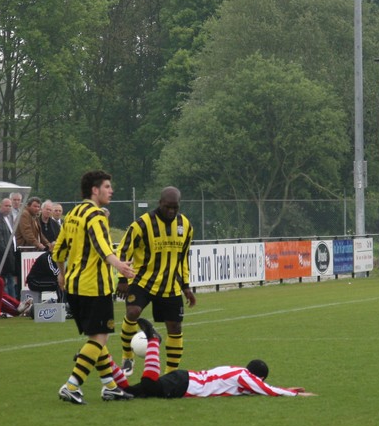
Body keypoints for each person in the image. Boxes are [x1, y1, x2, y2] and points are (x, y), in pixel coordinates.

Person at [54, 170, 136, 405]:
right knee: (99, 338)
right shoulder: (96, 216)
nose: (111, 191)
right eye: (107, 187)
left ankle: (110, 386)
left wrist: (62, 274)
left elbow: (58, 250)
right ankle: (72, 385)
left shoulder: (72, 214)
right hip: (94, 287)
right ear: (94, 190)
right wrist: (120, 265)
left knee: (97, 337)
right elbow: (102, 247)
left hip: (74, 286)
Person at [117, 320, 313, 398]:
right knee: (149, 385)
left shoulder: (238, 373)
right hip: (185, 384)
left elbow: (263, 388)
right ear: (258, 377)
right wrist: (294, 395)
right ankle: (153, 340)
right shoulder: (243, 377)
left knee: (132, 393)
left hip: (185, 379)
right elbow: (267, 390)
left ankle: (107, 367)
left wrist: (289, 389)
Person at [116, 186, 196, 376]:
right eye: (168, 206)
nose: (171, 211)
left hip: (170, 286)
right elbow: (124, 249)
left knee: (175, 327)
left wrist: (186, 286)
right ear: (160, 203)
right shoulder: (142, 224)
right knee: (133, 312)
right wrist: (122, 278)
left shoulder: (185, 226)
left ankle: (171, 374)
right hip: (142, 281)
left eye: (175, 207)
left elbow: (183, 258)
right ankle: (127, 356)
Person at [0, 198, 20, 298]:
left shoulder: (9, 219)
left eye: (10, 206)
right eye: (6, 206)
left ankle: (13, 304)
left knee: (11, 284)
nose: (8, 208)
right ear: (0, 206)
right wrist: (8, 255)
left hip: (10, 258)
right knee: (4, 286)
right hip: (1, 260)